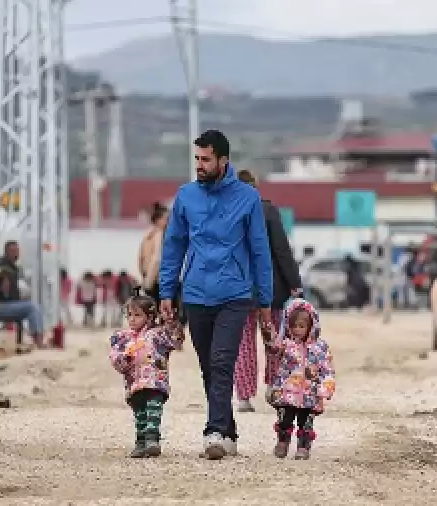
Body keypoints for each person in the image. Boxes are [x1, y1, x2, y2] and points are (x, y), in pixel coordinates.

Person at [158, 129, 274, 460]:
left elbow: (259, 251)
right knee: (209, 367)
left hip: (235, 294)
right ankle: (229, 430)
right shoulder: (185, 196)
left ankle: (215, 431)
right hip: (195, 293)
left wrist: (264, 300)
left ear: (223, 160)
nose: (199, 165)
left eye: (205, 159)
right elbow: (174, 245)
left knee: (223, 363)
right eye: (197, 158)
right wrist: (168, 290)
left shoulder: (248, 198)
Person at [234, 169, 302, 413]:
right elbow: (281, 250)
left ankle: (243, 396)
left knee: (243, 342)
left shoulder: (229, 212)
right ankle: (274, 387)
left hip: (239, 289)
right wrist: (295, 282)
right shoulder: (268, 211)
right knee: (272, 339)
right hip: (270, 289)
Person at [109, 291, 184, 458]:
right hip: (134, 384)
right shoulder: (123, 338)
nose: (132, 319)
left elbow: (175, 340)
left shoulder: (157, 334)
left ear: (149, 317)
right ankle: (141, 441)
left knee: (153, 409)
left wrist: (172, 321)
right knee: (140, 414)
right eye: (129, 315)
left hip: (155, 381)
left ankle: (152, 439)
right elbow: (115, 360)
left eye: (137, 315)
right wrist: (125, 358)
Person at [264, 297, 336, 460]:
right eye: (294, 326)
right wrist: (269, 330)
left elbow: (327, 368)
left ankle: (303, 446)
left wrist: (327, 385)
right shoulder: (286, 344)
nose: (297, 330)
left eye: (302, 326)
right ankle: (282, 442)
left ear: (311, 325)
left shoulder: (320, 347)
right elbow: (273, 350)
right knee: (285, 419)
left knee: (306, 422)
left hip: (310, 394)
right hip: (288, 392)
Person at [0, 240, 45, 347]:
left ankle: (39, 336)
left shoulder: (15, 268)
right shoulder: (1, 265)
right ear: (6, 252)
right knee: (32, 307)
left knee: (35, 306)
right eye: (12, 251)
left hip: (10, 304)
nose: (15, 253)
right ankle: (38, 341)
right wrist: (3, 277)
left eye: (16, 251)